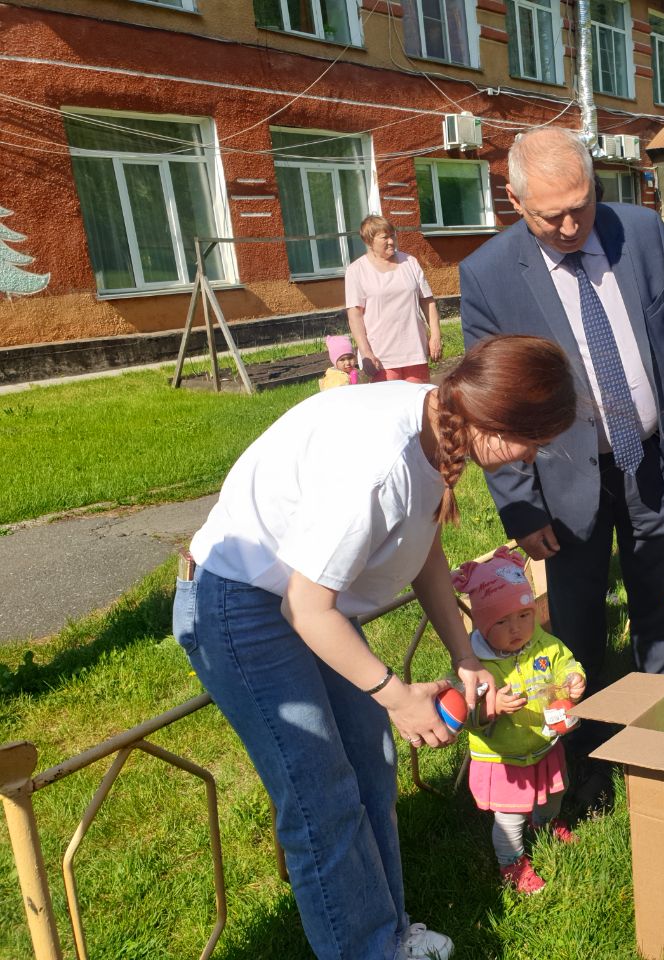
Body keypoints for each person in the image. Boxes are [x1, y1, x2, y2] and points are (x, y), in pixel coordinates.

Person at [174, 335, 577, 960]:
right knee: (321, 800)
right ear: (500, 424)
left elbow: (425, 549)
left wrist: (464, 655)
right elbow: (305, 608)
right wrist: (395, 696)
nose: (530, 459)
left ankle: (387, 935)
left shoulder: (442, 420)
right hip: (241, 604)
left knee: (371, 765)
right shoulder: (383, 462)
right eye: (535, 445)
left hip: (301, 602)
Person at [457, 127, 664, 803]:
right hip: (563, 479)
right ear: (513, 199)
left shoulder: (644, 235)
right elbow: (494, 405)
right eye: (552, 214)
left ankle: (659, 743)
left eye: (583, 204)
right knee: (576, 627)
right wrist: (520, 503)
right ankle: (589, 761)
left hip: (653, 458)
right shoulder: (487, 275)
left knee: (661, 605)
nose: (572, 224)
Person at [450, 546, 585, 895]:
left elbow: (564, 660)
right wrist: (492, 705)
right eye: (502, 621)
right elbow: (465, 712)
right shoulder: (474, 664)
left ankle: (544, 822)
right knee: (509, 817)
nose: (517, 629)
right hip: (503, 757)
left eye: (524, 615)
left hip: (544, 742)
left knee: (553, 794)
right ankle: (511, 862)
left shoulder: (542, 644)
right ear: (481, 623)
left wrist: (573, 677)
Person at [346, 214, 443, 383]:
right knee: (389, 406)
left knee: (418, 404)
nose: (391, 241)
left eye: (392, 236)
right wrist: (366, 352)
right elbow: (355, 316)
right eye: (385, 237)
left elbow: (427, 300)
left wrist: (435, 335)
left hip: (414, 350)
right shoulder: (356, 270)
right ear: (369, 242)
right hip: (382, 356)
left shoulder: (410, 262)